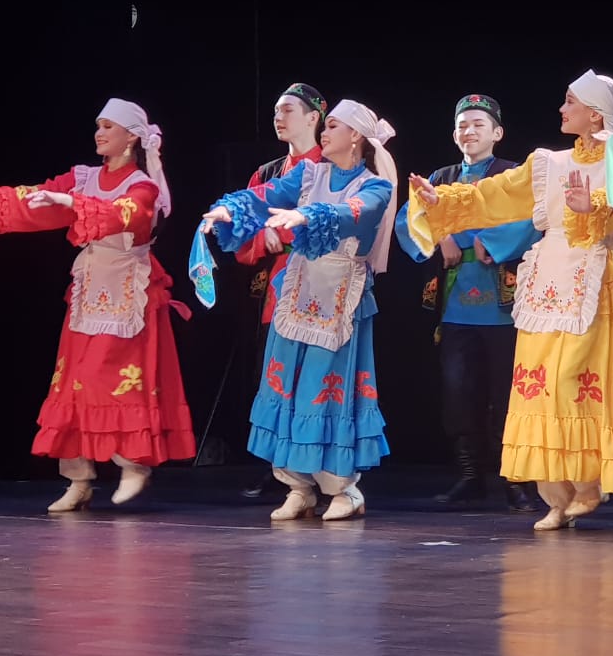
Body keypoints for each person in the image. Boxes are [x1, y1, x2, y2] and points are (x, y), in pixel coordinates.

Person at [407, 70, 613, 531]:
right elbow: (495, 195)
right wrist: (442, 201)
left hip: (590, 281)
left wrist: (592, 209)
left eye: (570, 101)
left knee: (573, 383)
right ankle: (554, 496)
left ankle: (588, 485)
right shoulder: (548, 163)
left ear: (596, 114)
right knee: (538, 387)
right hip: (545, 282)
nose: (561, 109)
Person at [0, 99, 196, 511]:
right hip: (89, 289)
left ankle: (133, 463)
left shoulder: (143, 184)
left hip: (128, 292)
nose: (99, 133)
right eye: (98, 126)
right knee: (75, 378)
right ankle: (78, 478)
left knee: (113, 377)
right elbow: (37, 197)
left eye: (108, 126)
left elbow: (127, 215)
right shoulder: (83, 177)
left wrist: (74, 205)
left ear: (131, 137)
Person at [201, 98, 397, 522]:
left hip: (340, 301)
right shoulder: (309, 174)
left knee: (325, 388)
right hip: (298, 293)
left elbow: (352, 213)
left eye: (334, 126)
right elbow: (266, 195)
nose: (324, 132)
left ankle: (343, 489)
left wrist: (305, 217)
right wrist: (229, 210)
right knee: (285, 383)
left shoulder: (375, 187)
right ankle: (297, 486)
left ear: (356, 136)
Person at [394, 93, 542, 512]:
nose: (469, 131)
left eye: (478, 124)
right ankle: (469, 475)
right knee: (459, 390)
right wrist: (441, 237)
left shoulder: (513, 174)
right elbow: (410, 219)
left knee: (508, 392)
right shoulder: (440, 177)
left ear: (497, 132)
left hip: (504, 301)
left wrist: (491, 240)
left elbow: (534, 217)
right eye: (462, 125)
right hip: (457, 301)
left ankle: (516, 480)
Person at [230, 83, 327, 498]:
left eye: (288, 110)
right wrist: (259, 237)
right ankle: (278, 469)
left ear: (313, 117)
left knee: (315, 378)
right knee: (275, 376)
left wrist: (284, 232)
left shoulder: (331, 167)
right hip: (279, 287)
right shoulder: (267, 173)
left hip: (322, 287)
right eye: (275, 111)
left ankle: (319, 468)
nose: (278, 117)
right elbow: (241, 231)